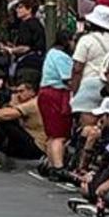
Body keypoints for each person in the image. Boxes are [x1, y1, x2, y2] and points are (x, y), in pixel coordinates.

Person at [69, 4, 109, 119]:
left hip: (88, 87)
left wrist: (74, 93)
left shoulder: (86, 40)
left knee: (86, 125)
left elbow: (77, 69)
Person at [37, 32, 74, 180]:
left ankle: (52, 165)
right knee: (59, 135)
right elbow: (68, 78)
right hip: (56, 95)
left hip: (47, 94)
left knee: (52, 134)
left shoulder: (51, 53)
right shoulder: (60, 56)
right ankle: (59, 167)